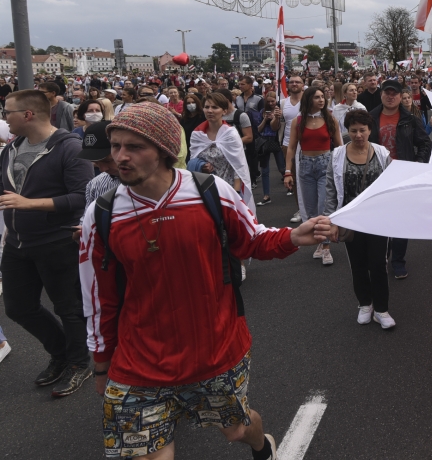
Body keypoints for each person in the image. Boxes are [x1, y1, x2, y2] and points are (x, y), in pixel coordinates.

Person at [79, 101, 332, 460]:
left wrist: (291, 236)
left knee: (238, 430)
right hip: (139, 360)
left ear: (164, 149)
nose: (120, 156)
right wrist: (101, 362)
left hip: (215, 349)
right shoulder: (101, 213)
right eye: (116, 146)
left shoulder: (210, 191)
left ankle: (262, 445)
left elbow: (252, 240)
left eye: (134, 147)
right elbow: (97, 296)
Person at [0, 89, 94, 397]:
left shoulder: (70, 147)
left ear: (27, 114)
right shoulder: (11, 148)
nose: (5, 117)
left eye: (8, 111)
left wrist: (30, 204)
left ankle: (79, 363)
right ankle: (62, 352)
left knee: (69, 307)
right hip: (17, 242)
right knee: (18, 308)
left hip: (57, 241)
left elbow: (81, 196)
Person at [325, 109, 395, 329]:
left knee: (378, 264)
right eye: (353, 130)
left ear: (370, 130)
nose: (358, 135)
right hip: (350, 219)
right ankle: (365, 304)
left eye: (362, 130)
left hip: (377, 219)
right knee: (358, 264)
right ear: (347, 130)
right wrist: (331, 221)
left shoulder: (382, 153)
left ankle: (381, 310)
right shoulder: (337, 155)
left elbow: (392, 185)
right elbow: (331, 190)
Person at [370, 80, 431, 279]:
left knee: (400, 219)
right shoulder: (370, 118)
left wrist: (417, 164)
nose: (390, 97)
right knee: (379, 218)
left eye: (394, 93)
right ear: (381, 95)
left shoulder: (410, 119)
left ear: (400, 96)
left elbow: (424, 143)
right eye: (387, 93)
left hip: (401, 175)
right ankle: (381, 255)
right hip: (376, 175)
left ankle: (398, 261)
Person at [284, 86, 342, 267]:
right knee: (310, 210)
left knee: (324, 206)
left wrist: (340, 168)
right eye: (317, 97)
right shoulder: (298, 121)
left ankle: (326, 246)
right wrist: (287, 171)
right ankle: (319, 241)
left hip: (326, 165)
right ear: (309, 100)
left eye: (322, 97)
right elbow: (291, 148)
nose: (321, 100)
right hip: (305, 166)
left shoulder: (330, 118)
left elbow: (339, 146)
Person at [280, 75, 305, 221]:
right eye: (292, 82)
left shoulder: (308, 101)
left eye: (298, 82)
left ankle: (312, 208)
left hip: (306, 145)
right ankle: (300, 209)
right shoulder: (283, 103)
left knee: (308, 177)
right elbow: (276, 127)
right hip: (288, 144)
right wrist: (275, 118)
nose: (294, 84)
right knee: (293, 178)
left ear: (303, 85)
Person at [256, 91, 284, 207]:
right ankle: (266, 195)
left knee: (282, 167)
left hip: (276, 141)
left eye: (273, 101)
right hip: (264, 142)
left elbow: (276, 128)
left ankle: (289, 185)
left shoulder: (279, 111)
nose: (271, 103)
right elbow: (259, 129)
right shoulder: (262, 112)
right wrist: (265, 119)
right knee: (265, 171)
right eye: (268, 101)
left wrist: (275, 118)